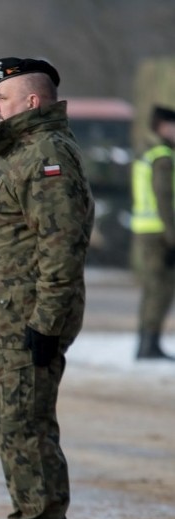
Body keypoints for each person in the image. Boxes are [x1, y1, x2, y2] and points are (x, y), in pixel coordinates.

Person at [0, 58, 94, 519]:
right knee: (16, 428)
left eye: (3, 100)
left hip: (27, 322)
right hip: (7, 320)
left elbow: (61, 246)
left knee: (27, 430)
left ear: (32, 102)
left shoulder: (49, 155)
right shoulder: (24, 151)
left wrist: (47, 322)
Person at [130, 104, 175, 360]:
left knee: (152, 288)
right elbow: (164, 198)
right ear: (165, 126)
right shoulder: (162, 155)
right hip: (160, 232)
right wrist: (173, 237)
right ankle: (150, 344)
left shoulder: (146, 152)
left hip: (146, 230)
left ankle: (147, 343)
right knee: (161, 289)